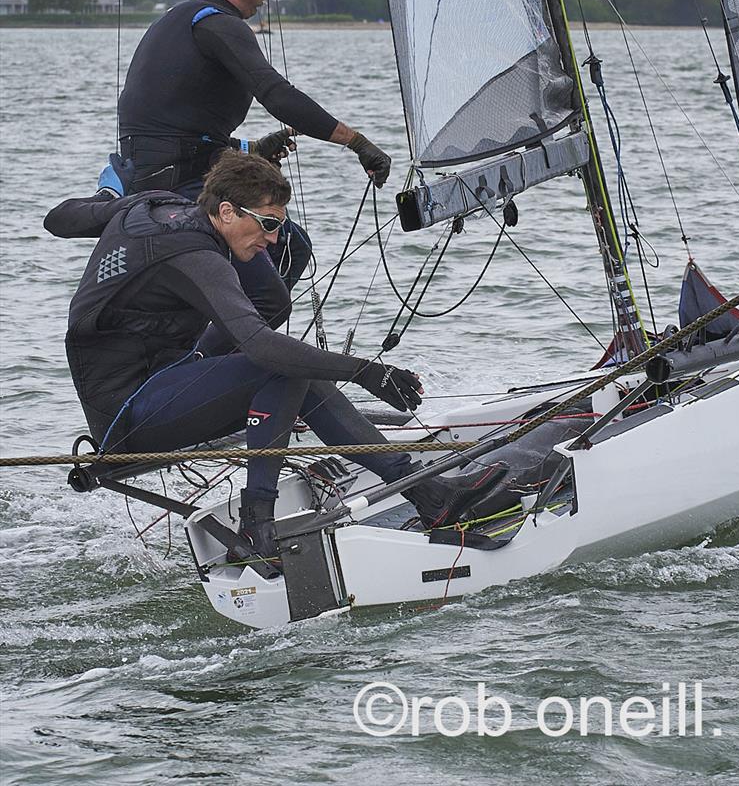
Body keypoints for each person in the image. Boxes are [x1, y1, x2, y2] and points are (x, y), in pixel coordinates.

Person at [44, 151, 502, 566]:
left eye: (279, 223)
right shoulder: (194, 255)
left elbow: (59, 218)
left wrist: (111, 196)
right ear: (226, 211)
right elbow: (261, 345)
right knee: (280, 364)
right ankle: (257, 526)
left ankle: (426, 494)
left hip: (165, 380)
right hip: (128, 417)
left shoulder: (150, 207)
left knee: (297, 369)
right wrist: (366, 371)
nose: (275, 237)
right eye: (267, 223)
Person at [117, 0, 392, 306]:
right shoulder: (218, 24)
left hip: (161, 172)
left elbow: (180, 126)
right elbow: (277, 95)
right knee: (273, 286)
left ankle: (222, 341)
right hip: (173, 187)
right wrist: (356, 142)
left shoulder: (179, 19)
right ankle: (226, 359)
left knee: (290, 245)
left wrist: (251, 148)